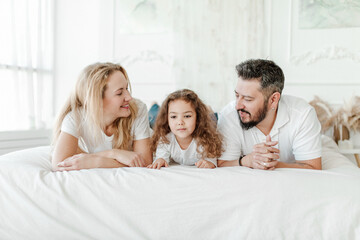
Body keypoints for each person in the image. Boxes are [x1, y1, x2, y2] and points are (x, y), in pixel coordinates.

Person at [217, 59, 322, 170]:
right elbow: (223, 164)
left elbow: (313, 167)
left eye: (248, 99)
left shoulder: (302, 114)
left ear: (273, 100)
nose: (238, 106)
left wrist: (272, 164)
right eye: (237, 95)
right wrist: (247, 161)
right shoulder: (229, 115)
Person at [52, 62, 152, 171]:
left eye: (127, 88)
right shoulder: (75, 118)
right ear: (97, 100)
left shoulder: (138, 109)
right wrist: (114, 154)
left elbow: (145, 161)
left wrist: (95, 160)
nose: (129, 97)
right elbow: (59, 165)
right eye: (119, 93)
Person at [147, 89, 223, 169]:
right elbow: (161, 157)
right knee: (153, 118)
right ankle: (154, 105)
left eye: (187, 116)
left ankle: (208, 110)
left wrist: (209, 162)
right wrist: (160, 160)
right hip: (155, 117)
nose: (180, 122)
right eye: (173, 117)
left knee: (213, 120)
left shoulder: (205, 138)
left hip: (209, 121)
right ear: (167, 119)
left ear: (198, 117)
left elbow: (212, 160)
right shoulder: (166, 139)